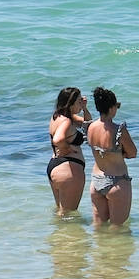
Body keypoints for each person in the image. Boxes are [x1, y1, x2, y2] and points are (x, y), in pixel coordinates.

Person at [87, 87, 136, 226]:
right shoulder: (119, 130)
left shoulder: (90, 128)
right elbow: (133, 153)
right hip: (117, 182)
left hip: (96, 180)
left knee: (98, 227)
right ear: (112, 108)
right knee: (118, 230)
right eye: (117, 106)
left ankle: (98, 248)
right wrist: (121, 153)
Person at [47, 87, 92, 216]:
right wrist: (66, 148)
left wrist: (84, 108)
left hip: (55, 166)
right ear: (70, 103)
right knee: (69, 216)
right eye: (78, 101)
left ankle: (58, 236)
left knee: (61, 213)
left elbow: (88, 125)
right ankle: (68, 236)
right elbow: (58, 139)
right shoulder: (66, 121)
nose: (81, 102)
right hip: (69, 170)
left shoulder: (58, 117)